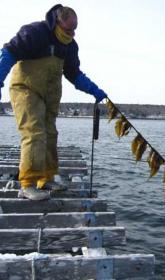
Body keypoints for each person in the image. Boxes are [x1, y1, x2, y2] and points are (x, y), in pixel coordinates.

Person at [0, 4, 107, 200]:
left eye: (75, 29)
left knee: (50, 133)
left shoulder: (70, 46)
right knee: (34, 132)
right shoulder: (35, 33)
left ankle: (45, 178)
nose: (72, 33)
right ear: (57, 22)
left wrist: (94, 90)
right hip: (26, 89)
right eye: (68, 29)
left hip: (49, 95)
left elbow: (74, 74)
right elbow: (9, 52)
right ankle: (27, 184)